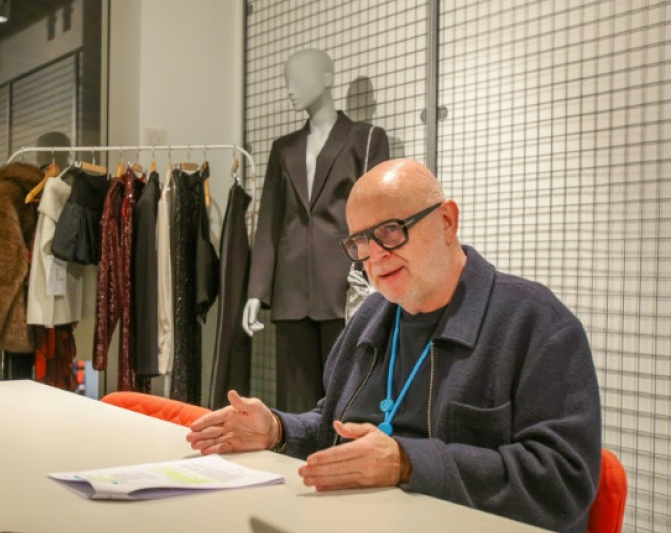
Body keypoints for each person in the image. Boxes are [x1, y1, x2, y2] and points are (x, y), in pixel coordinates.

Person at [188, 159, 601, 532]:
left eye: (390, 230)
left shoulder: (536, 323)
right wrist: (278, 430)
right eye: (360, 241)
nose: (374, 256)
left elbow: (563, 482)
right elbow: (334, 427)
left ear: (447, 222)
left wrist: (407, 462)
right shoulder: (372, 316)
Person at [242, 49, 389, 412]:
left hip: (345, 289)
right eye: (286, 81)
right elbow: (268, 223)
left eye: (298, 79)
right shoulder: (283, 149)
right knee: (294, 404)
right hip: (291, 293)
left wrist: (372, 273)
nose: (290, 89)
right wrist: (256, 291)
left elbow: (378, 213)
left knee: (349, 398)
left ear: (327, 79)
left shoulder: (366, 139)